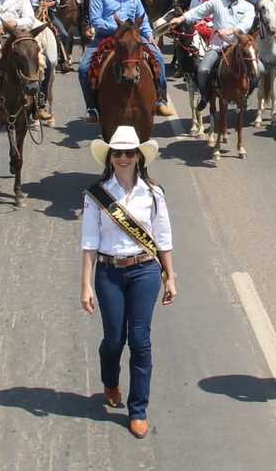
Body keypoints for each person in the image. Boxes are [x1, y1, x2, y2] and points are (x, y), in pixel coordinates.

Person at [80, 125, 177, 439]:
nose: (123, 158)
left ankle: (138, 410)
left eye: (129, 153)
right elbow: (89, 241)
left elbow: (163, 237)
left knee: (140, 340)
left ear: (139, 157)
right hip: (109, 271)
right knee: (113, 340)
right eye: (118, 153)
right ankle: (110, 381)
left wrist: (170, 275)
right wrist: (86, 284)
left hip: (145, 270)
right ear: (110, 157)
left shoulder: (153, 193)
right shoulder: (96, 194)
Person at [79, 0, 175, 122]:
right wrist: (119, 28)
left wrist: (149, 35)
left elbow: (143, 19)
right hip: (106, 36)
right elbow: (96, 21)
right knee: (83, 68)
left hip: (133, 36)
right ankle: (92, 107)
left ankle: (160, 99)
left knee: (158, 57)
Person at [167, 0, 254, 110]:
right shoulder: (217, 2)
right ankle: (204, 96)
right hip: (217, 45)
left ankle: (245, 95)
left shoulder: (248, 7)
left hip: (239, 46)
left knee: (259, 70)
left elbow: (246, 24)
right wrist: (181, 18)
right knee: (202, 70)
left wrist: (231, 31)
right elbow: (198, 11)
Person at [27, 0, 73, 73]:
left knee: (63, 34)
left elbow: (56, 1)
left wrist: (47, 5)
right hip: (32, 13)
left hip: (49, 13)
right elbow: (25, 0)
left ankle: (63, 60)